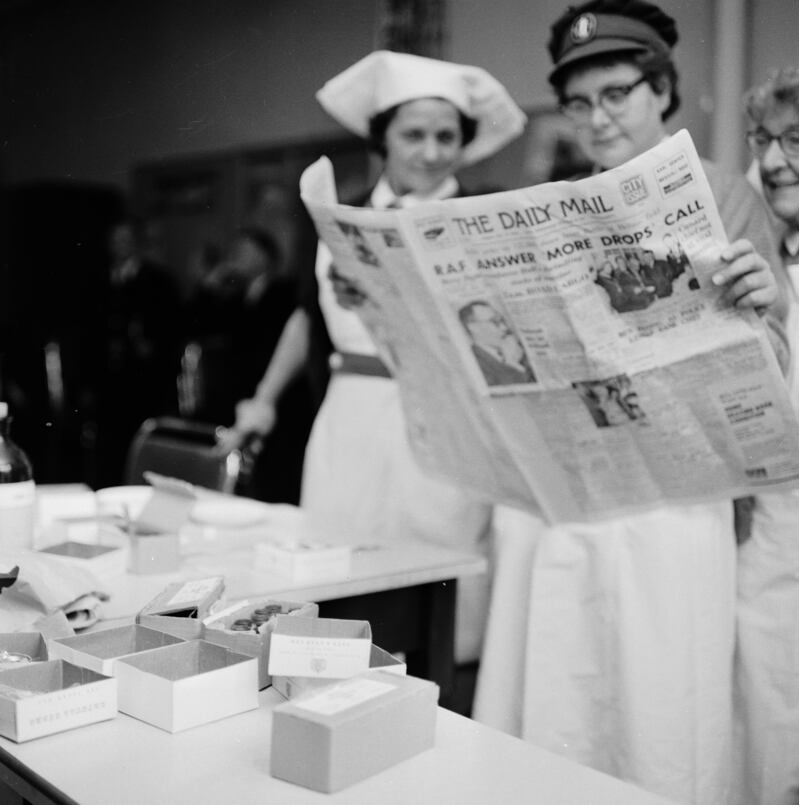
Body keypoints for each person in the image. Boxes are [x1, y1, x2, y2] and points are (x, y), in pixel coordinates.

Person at [471, 3, 787, 804]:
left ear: (662, 90)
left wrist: (763, 312)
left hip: (676, 500)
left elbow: (781, 360)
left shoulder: (727, 197)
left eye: (616, 93)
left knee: (660, 713)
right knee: (561, 694)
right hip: (571, 494)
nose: (598, 117)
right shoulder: (552, 204)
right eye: (579, 103)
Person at [224, 50, 526, 664]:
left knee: (438, 561)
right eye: (413, 135)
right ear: (381, 137)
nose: (432, 152)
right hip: (351, 416)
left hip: (444, 417)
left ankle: (444, 685)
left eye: (448, 137)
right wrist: (263, 399)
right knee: (339, 560)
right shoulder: (338, 213)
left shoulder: (482, 215)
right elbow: (307, 319)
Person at [734, 65, 799, 805]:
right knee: (761, 707)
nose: (776, 160)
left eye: (796, 141)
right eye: (764, 141)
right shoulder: (757, 256)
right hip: (766, 521)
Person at [184, 228, 313, 503]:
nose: (236, 258)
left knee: (274, 482)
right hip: (243, 398)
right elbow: (196, 324)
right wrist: (210, 283)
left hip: (280, 402)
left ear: (266, 257)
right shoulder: (235, 295)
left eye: (244, 252)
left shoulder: (284, 291)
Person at [93, 216, 182, 486]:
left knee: (142, 444)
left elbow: (171, 330)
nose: (120, 246)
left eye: (126, 240)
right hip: (107, 380)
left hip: (144, 382)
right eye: (115, 240)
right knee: (108, 450)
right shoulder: (97, 280)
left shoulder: (159, 280)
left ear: (137, 243)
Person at [458, 300, 536, 386]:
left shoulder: (519, 351)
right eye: (494, 322)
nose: (504, 328)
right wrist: (513, 364)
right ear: (474, 327)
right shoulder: (473, 362)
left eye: (502, 321)